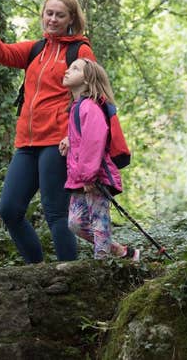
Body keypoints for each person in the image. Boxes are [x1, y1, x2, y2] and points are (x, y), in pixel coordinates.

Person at [0, 0, 95, 263]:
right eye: (49, 13)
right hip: (27, 143)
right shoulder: (36, 49)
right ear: (43, 15)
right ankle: (36, 268)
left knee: (55, 211)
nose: (53, 19)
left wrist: (74, 135)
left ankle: (69, 272)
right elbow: (4, 54)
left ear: (71, 19)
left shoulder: (80, 50)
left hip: (58, 141)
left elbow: (91, 95)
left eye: (60, 15)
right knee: (9, 209)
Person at [61, 59, 139, 261]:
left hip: (95, 176)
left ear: (87, 80)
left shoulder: (90, 106)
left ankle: (101, 264)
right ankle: (123, 252)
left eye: (75, 69)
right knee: (75, 224)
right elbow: (83, 138)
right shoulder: (77, 107)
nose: (68, 71)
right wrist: (70, 141)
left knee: (98, 220)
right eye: (69, 67)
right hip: (81, 178)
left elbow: (95, 140)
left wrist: (88, 176)